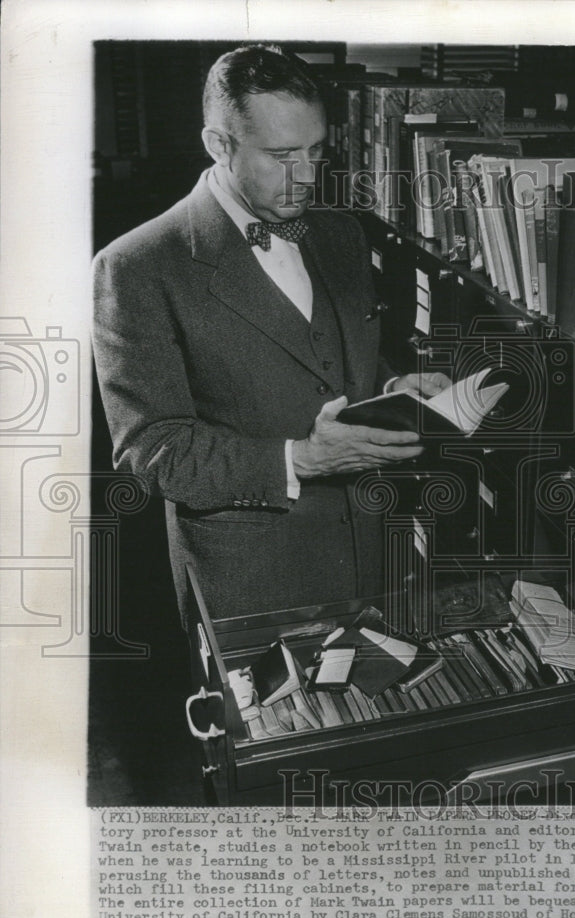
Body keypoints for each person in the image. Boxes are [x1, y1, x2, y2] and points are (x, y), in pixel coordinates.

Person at [92, 44, 450, 626]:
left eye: (316, 151)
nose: (307, 175)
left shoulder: (340, 235)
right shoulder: (136, 267)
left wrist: (392, 385)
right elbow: (150, 451)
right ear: (219, 144)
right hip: (253, 582)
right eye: (282, 155)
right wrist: (301, 459)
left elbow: (328, 363)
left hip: (373, 555)